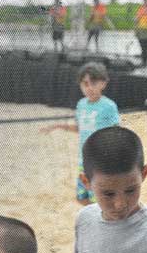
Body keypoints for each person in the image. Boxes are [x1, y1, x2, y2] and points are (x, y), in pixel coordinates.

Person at [41, 62, 120, 206]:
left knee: (98, 200)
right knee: (81, 198)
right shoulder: (81, 104)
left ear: (103, 83)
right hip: (83, 160)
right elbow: (80, 128)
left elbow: (115, 132)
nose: (89, 87)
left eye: (93, 83)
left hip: (100, 162)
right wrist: (58, 126)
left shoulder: (109, 106)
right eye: (85, 83)